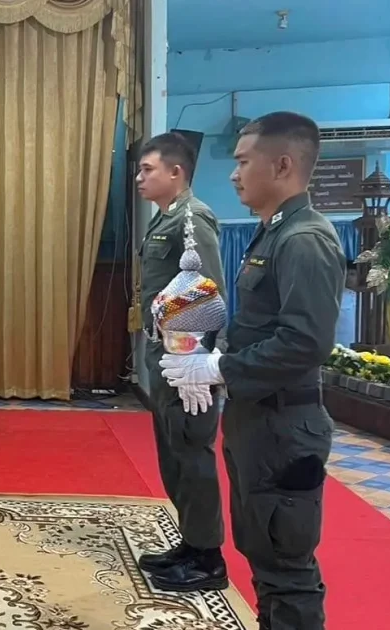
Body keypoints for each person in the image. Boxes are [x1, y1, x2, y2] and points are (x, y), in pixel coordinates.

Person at [161, 112, 343, 630]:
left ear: (282, 165)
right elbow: (260, 325)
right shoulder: (274, 233)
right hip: (258, 421)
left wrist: (220, 367)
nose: (234, 173)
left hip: (284, 425)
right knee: (264, 553)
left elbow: (305, 342)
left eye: (243, 162)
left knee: (286, 565)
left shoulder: (304, 238)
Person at [134, 132, 228, 592]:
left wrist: (198, 365)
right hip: (166, 355)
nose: (139, 178)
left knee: (192, 454)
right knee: (174, 454)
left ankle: (209, 559)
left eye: (146, 169)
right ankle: (192, 543)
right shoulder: (165, 217)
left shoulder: (192, 218)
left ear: (176, 172)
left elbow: (206, 292)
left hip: (187, 362)